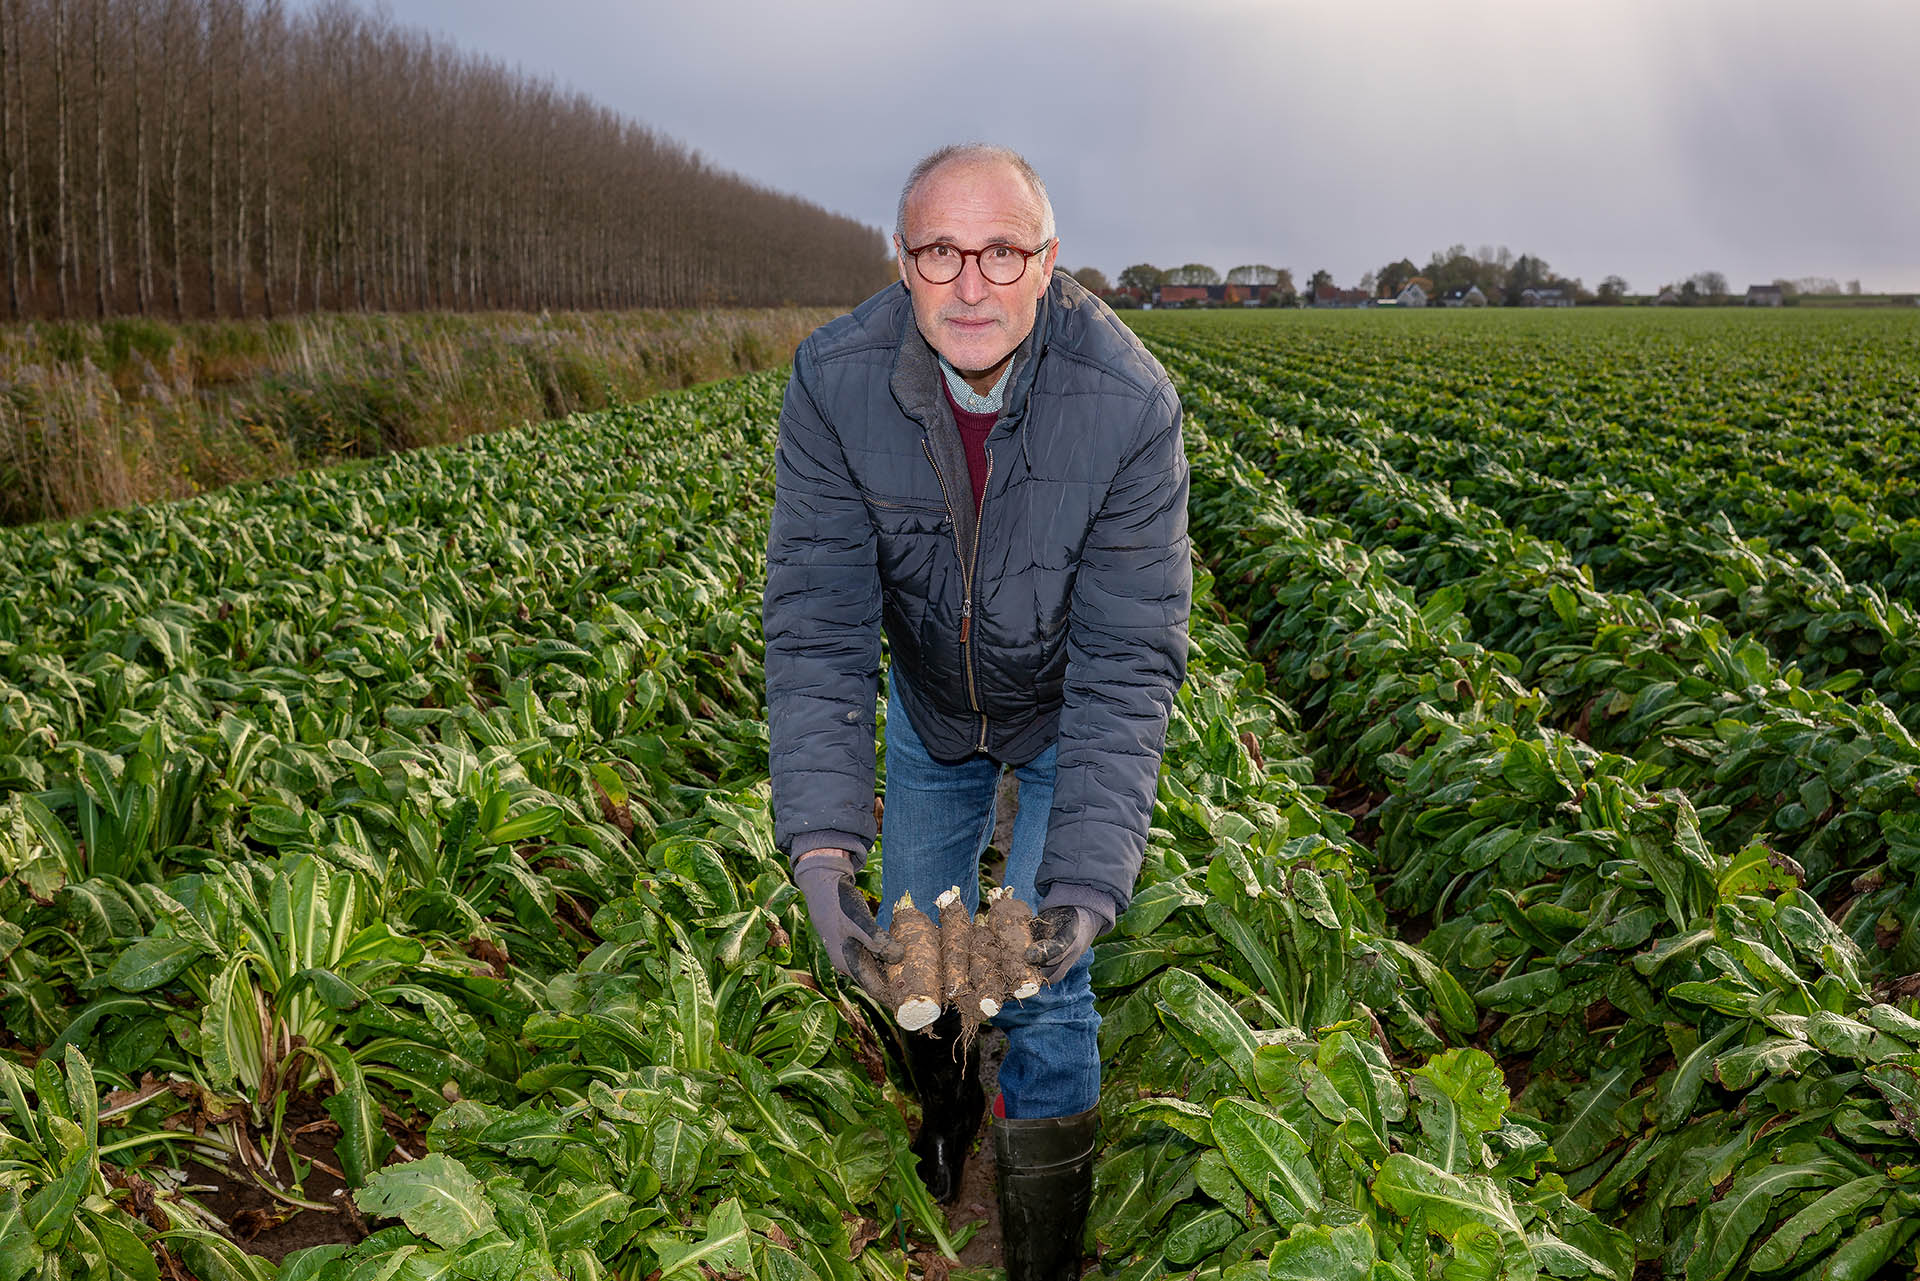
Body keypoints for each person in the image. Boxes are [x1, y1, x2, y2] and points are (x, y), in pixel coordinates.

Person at [761, 142, 1190, 1280]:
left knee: (1046, 983)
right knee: (915, 955)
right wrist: (817, 852)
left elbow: (1127, 664)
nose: (969, 283)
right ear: (903, 265)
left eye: (1001, 251)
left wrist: (1088, 893)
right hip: (935, 708)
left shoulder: (1130, 405)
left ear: (1048, 264)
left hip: (1064, 716)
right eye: (940, 251)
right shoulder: (834, 381)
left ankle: (1041, 1258)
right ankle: (946, 1119)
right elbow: (818, 629)